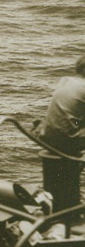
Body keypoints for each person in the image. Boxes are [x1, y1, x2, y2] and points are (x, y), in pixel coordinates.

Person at [35, 54, 85, 214]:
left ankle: (61, 210)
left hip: (46, 138)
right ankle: (69, 213)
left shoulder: (65, 81)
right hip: (67, 141)